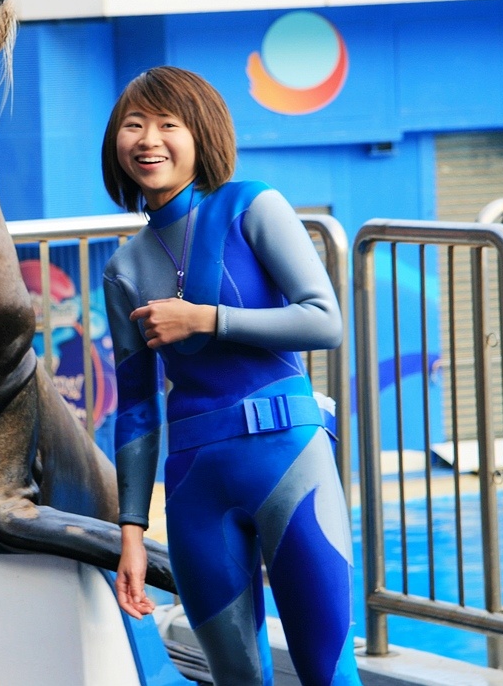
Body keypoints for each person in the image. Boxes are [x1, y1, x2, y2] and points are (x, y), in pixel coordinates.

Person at [101, 66, 361, 685]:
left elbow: (324, 321)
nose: (148, 139)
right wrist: (131, 534)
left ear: (202, 134)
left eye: (169, 124)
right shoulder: (124, 268)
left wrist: (206, 320)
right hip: (195, 485)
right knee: (236, 677)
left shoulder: (251, 205)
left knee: (329, 672)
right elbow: (136, 411)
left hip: (289, 461)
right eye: (133, 125)